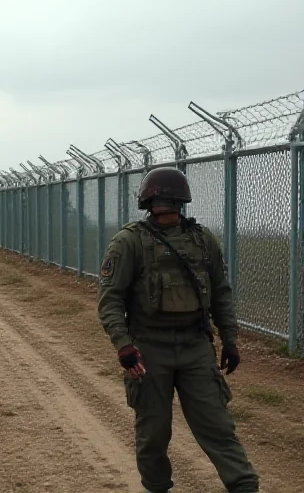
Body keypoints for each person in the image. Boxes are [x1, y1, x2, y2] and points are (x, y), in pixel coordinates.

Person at [97, 167, 259, 493]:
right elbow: (110, 300)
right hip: (148, 348)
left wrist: (230, 340)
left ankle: (244, 486)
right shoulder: (129, 242)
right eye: (158, 199)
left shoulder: (202, 240)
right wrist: (124, 345)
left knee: (216, 425)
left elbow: (221, 293)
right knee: (153, 433)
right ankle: (157, 487)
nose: (163, 204)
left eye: (167, 199)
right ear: (148, 202)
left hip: (194, 345)